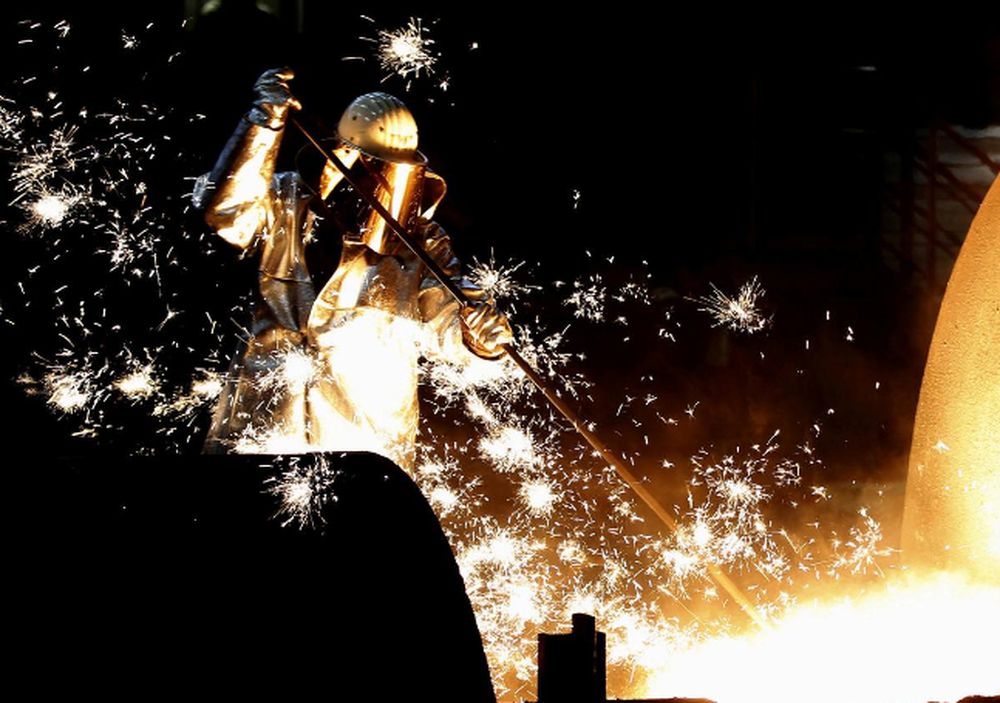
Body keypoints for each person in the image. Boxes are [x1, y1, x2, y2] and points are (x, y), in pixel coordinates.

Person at [194, 68, 512, 469]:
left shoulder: (420, 242)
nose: (374, 187)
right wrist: (262, 124)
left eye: (388, 176)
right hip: (262, 435)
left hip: (361, 453)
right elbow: (224, 213)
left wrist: (478, 338)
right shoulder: (284, 201)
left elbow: (450, 320)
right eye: (369, 170)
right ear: (341, 156)